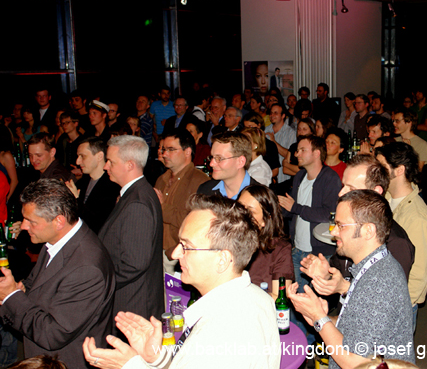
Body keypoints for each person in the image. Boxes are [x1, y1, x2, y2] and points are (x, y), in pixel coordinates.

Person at [83, 194, 281, 369]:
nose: (176, 253)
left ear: (222, 260)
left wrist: (129, 366)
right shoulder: (256, 297)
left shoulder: (224, 331)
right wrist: (157, 358)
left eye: (187, 246)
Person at [288, 190, 415, 368]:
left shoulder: (380, 282)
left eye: (341, 225)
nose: (333, 231)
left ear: (368, 230)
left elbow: (356, 361)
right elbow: (355, 327)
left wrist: (318, 317)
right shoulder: (369, 269)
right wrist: (321, 316)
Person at [0, 179, 115, 369]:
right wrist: (21, 290)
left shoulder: (87, 268)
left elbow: (52, 334)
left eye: (31, 221)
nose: (23, 227)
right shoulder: (55, 241)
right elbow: (36, 284)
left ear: (59, 221)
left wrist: (12, 297)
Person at [98, 135, 164, 329]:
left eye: (111, 161)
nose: (105, 166)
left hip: (133, 306)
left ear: (129, 165)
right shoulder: (135, 193)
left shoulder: (137, 202)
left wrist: (99, 284)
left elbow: (134, 263)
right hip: (131, 303)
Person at [376, 142, 427, 327]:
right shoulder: (384, 199)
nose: (376, 172)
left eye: (382, 167)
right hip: (380, 294)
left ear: (399, 170)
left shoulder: (417, 217)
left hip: (397, 305)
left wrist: (396, 306)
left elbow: (418, 275)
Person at [279, 135, 341, 291]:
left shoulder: (330, 178)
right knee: (297, 298)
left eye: (302, 150)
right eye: (297, 150)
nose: (296, 154)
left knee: (312, 301)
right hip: (297, 248)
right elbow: (291, 209)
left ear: (317, 153)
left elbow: (329, 214)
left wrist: (296, 208)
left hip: (318, 254)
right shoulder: (299, 176)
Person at [154, 129, 209, 274]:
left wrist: (161, 207)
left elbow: (196, 224)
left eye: (171, 149)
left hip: (180, 257)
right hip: (157, 253)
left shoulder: (201, 182)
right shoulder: (161, 179)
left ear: (187, 152)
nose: (164, 154)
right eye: (164, 149)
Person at [238, 185, 294, 299]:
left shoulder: (279, 249)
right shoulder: (225, 242)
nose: (241, 215)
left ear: (265, 220)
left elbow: (278, 299)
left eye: (250, 211)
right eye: (239, 208)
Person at [65, 137, 120, 234]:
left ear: (99, 156)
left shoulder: (113, 186)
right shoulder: (83, 182)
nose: (78, 161)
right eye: (78, 156)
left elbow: (97, 223)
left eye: (83, 156)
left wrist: (76, 200)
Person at [197, 132, 258, 199]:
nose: (211, 164)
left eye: (219, 158)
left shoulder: (260, 198)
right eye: (212, 157)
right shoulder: (205, 190)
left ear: (241, 162)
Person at [265, 103, 296, 183]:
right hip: (269, 176)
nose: (272, 115)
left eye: (275, 113)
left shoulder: (291, 133)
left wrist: (274, 142)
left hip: (284, 177)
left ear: (283, 116)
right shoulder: (266, 130)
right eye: (271, 113)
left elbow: (290, 156)